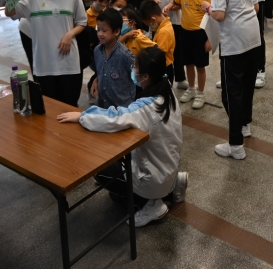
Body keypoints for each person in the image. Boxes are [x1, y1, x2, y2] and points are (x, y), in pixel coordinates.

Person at [57, 46, 187, 228]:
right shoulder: (168, 92)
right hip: (167, 169)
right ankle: (172, 187)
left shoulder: (145, 108)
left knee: (104, 174)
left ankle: (151, 205)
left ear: (146, 76)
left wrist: (82, 116)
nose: (133, 70)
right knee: (125, 156)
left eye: (136, 68)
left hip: (153, 178)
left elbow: (116, 117)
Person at [205, 0, 261, 160]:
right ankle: (244, 125)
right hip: (253, 38)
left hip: (235, 42)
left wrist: (207, 8)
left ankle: (236, 145)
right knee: (247, 87)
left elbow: (219, 15)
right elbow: (256, 7)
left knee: (231, 94)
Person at [7, 0, 87, 106]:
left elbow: (82, 22)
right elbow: (10, 12)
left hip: (69, 63)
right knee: (49, 108)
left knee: (69, 106)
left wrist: (70, 34)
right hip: (44, 64)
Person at [163, 0, 211, 109]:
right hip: (185, 33)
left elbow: (213, 22)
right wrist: (168, 6)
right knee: (188, 63)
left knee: (200, 66)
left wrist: (209, 40)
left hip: (200, 35)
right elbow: (175, 2)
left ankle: (201, 93)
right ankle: (191, 88)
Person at [89, 8, 135, 109]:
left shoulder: (125, 55)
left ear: (117, 31)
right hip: (103, 105)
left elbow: (138, 76)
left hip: (122, 107)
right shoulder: (97, 51)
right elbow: (101, 71)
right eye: (98, 30)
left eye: (104, 31)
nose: (100, 34)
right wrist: (97, 79)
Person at [140, 0, 177, 84]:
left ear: (153, 19)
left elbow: (158, 54)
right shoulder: (164, 25)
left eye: (149, 25)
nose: (150, 27)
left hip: (164, 69)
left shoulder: (164, 32)